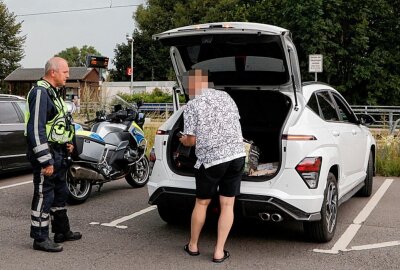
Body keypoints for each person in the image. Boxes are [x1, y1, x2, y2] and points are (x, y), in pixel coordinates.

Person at [179, 69, 245, 263]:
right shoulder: (226, 96)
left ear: (193, 85)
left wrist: (183, 140)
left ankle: (193, 246)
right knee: (227, 205)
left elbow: (191, 140)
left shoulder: (193, 105)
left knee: (202, 202)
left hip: (212, 160)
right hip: (236, 155)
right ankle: (219, 251)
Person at [25, 57, 82, 252]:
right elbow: (35, 129)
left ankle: (61, 231)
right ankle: (40, 238)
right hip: (47, 153)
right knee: (44, 195)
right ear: (53, 72)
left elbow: (56, 123)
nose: (68, 75)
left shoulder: (53, 92)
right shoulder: (40, 92)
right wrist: (45, 160)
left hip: (58, 152)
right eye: (65, 72)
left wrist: (67, 142)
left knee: (60, 193)